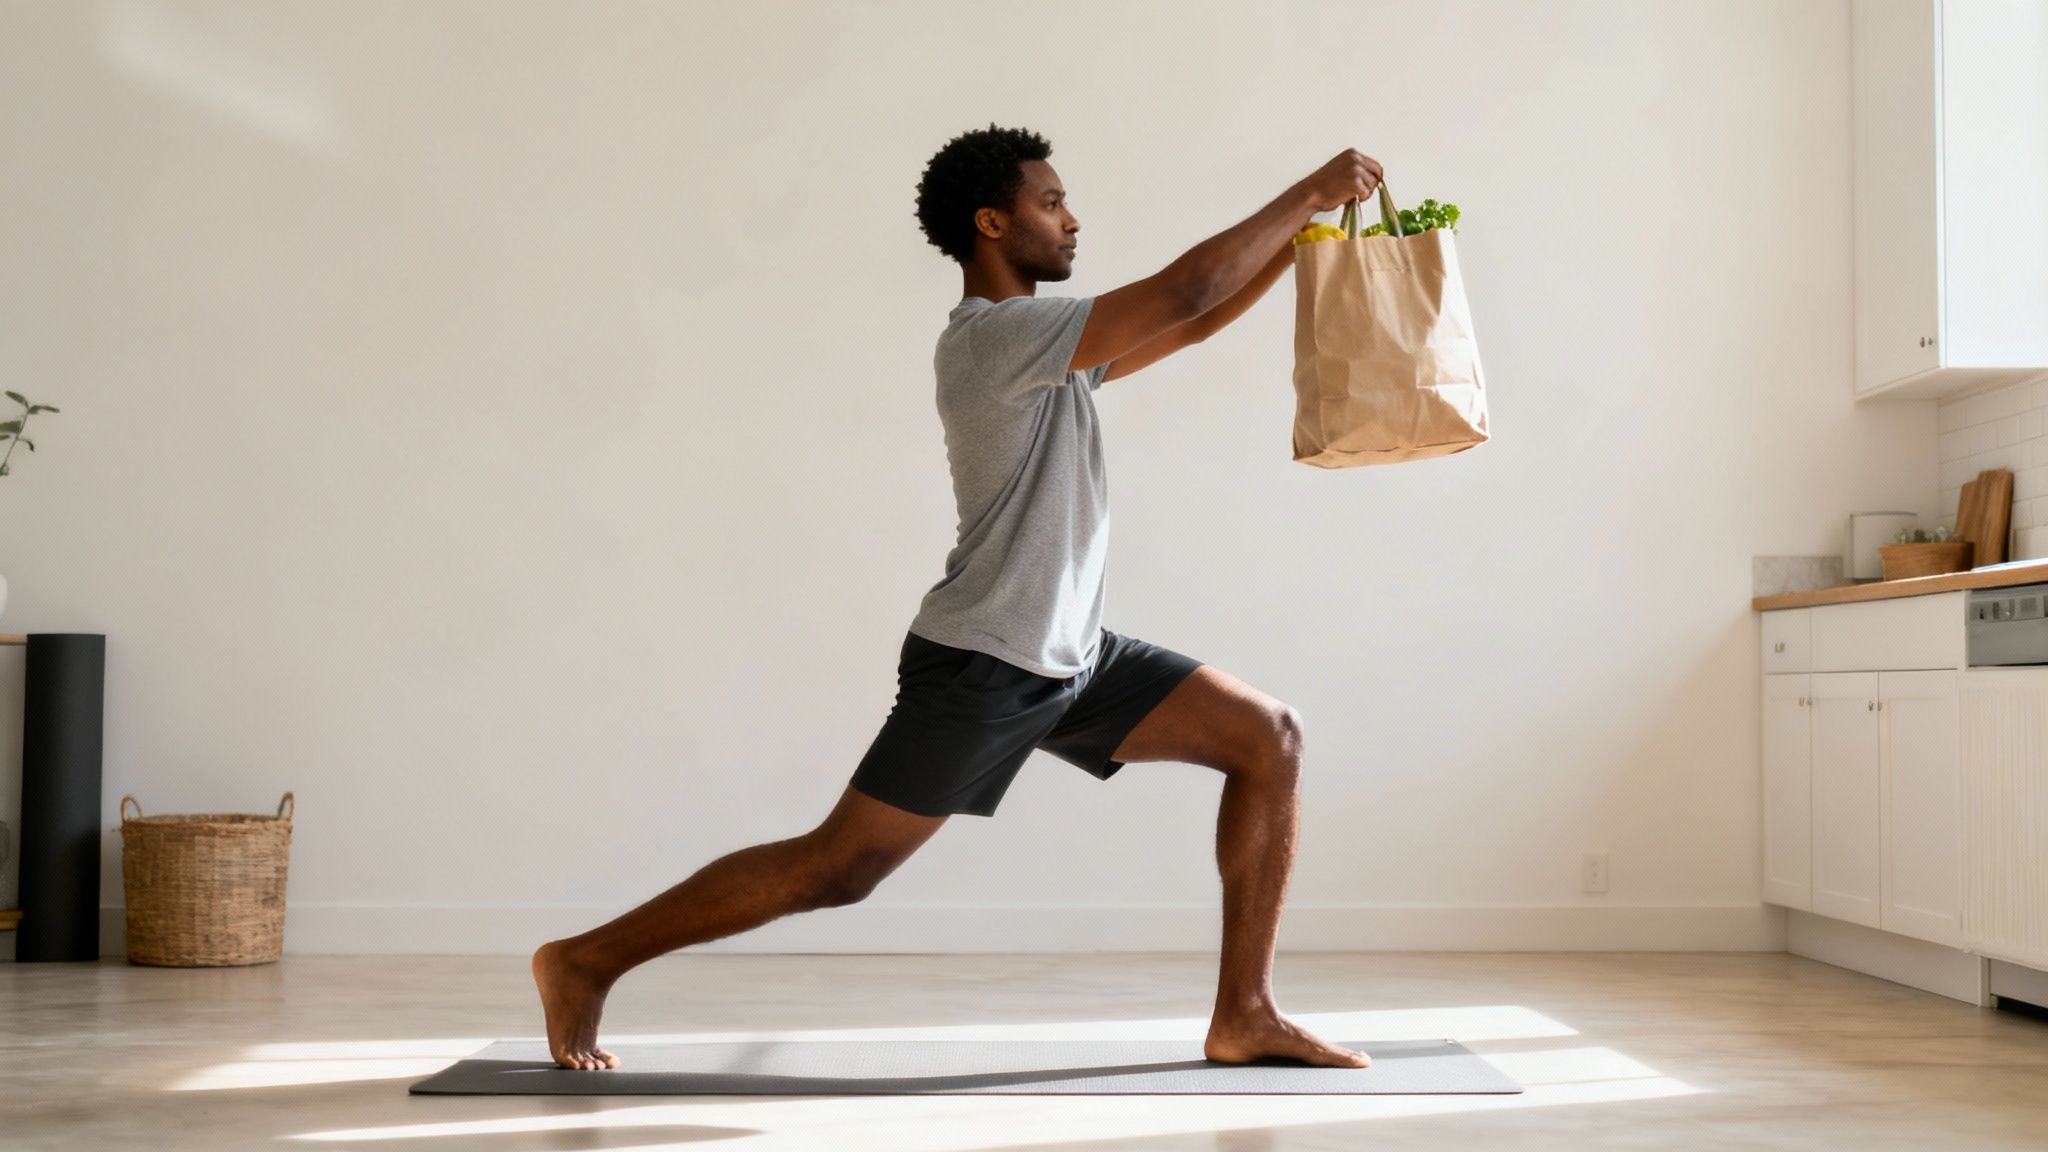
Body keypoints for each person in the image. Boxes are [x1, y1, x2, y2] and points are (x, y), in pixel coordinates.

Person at [532, 125, 1384, 1072]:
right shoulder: (998, 340)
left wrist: (1303, 242)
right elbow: (1184, 291)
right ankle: (585, 960)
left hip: (1071, 654)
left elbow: (1193, 321)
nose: (1071, 220)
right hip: (987, 659)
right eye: (1050, 203)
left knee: (1270, 736)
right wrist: (1306, 193)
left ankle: (1246, 1013)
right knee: (838, 869)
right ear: (992, 222)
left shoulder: (1052, 348)